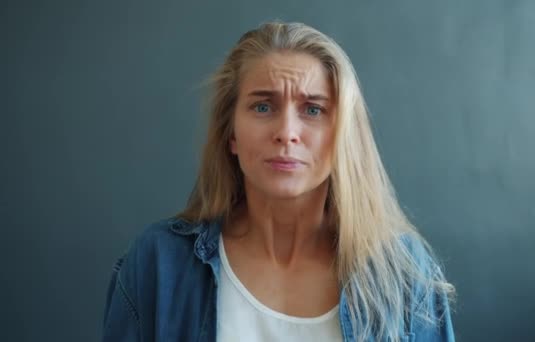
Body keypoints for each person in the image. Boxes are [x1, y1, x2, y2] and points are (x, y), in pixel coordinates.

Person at [102, 21, 456, 342]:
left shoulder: (403, 273)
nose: (287, 133)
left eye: (313, 110)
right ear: (232, 134)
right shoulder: (158, 264)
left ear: (344, 136)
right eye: (262, 107)